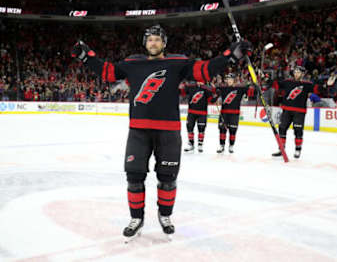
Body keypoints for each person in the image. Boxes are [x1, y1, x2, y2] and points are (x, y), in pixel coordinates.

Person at [71, 24, 251, 241]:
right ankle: (136, 218)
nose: (153, 43)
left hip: (168, 132)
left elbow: (204, 71)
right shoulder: (132, 62)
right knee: (134, 177)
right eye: (149, 39)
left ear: (164, 43)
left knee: (168, 179)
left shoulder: (177, 62)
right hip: (139, 130)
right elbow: (108, 72)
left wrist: (230, 56)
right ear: (144, 43)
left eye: (157, 39)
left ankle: (165, 216)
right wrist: (86, 57)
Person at [272, 66, 317, 159]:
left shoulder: (307, 84)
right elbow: (275, 84)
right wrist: (266, 77)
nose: (296, 74)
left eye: (298, 72)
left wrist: (327, 85)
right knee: (282, 128)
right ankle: (281, 149)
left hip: (299, 111)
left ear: (303, 74)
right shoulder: (288, 82)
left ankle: (297, 149)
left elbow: (317, 90)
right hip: (286, 110)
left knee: (298, 130)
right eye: (295, 72)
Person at [214, 73, 248, 153]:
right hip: (224, 113)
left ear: (234, 80)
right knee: (222, 130)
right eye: (227, 79)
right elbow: (214, 89)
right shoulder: (223, 88)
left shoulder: (240, 89)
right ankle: (222, 146)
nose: (228, 80)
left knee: (233, 130)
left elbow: (249, 90)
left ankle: (231, 146)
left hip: (234, 113)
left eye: (230, 79)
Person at [181, 82, 216, 153]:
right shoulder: (190, 86)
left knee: (201, 129)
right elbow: (183, 94)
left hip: (202, 113)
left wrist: (216, 93)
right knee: (189, 127)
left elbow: (211, 100)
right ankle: (191, 144)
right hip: (191, 112)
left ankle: (200, 145)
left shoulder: (206, 88)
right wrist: (183, 87)